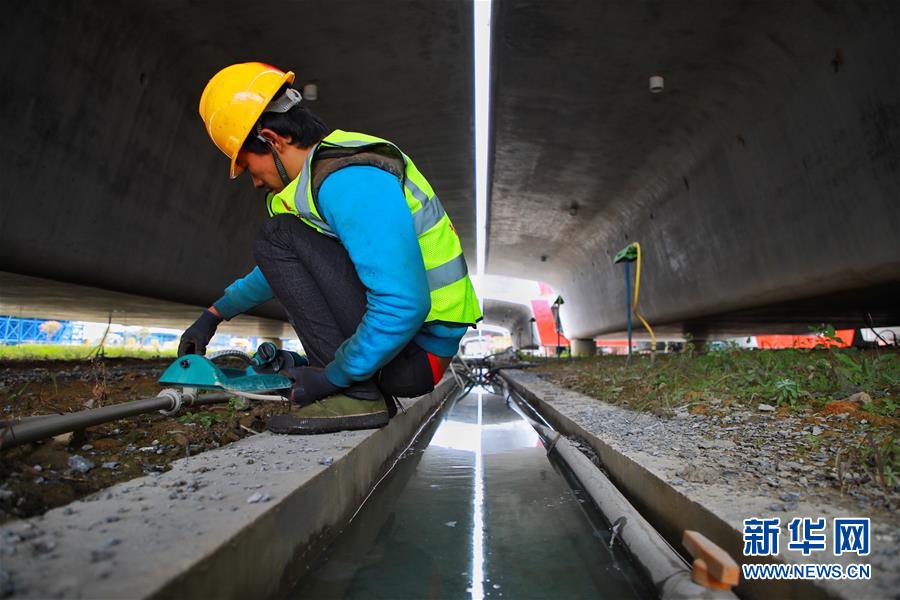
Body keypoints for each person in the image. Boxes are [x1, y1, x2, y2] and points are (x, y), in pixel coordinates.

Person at [179, 62, 481, 434]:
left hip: (417, 356)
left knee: (278, 235)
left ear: (274, 139)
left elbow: (404, 303)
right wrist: (214, 314)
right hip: (411, 350)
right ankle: (358, 385)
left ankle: (356, 395)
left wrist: (334, 378)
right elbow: (285, 270)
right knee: (281, 238)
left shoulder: (350, 180)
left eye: (248, 165)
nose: (255, 182)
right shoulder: (319, 183)